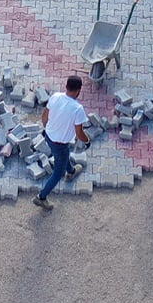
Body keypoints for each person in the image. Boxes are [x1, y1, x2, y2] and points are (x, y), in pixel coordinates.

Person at [35, 75, 89, 210]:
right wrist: (87, 141)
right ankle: (41, 197)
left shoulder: (55, 96)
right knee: (58, 173)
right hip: (60, 143)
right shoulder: (78, 109)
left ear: (66, 87)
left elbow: (44, 116)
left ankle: (71, 171)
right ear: (78, 91)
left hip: (48, 136)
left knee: (64, 156)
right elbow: (79, 133)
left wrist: (48, 128)